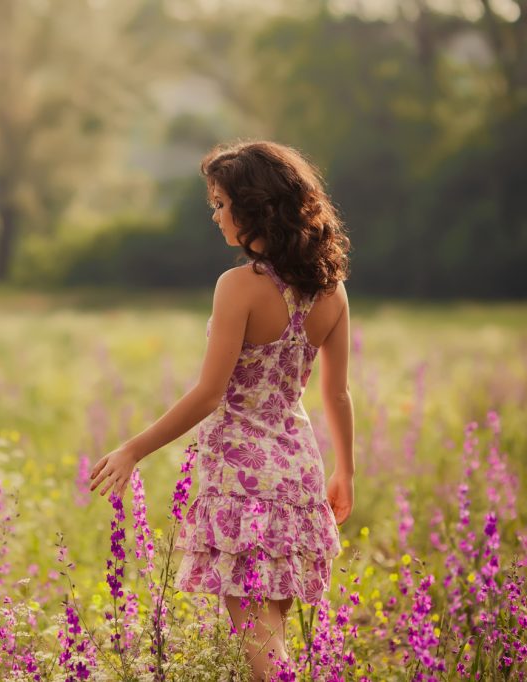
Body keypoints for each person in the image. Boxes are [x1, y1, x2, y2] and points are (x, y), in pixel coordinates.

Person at [89, 140, 355, 681]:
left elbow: (211, 394)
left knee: (266, 660)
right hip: (299, 474)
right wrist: (345, 469)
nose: (215, 216)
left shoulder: (238, 287)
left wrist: (132, 448)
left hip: (242, 483)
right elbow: (337, 394)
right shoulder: (332, 291)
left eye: (219, 203)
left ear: (254, 208)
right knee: (273, 641)